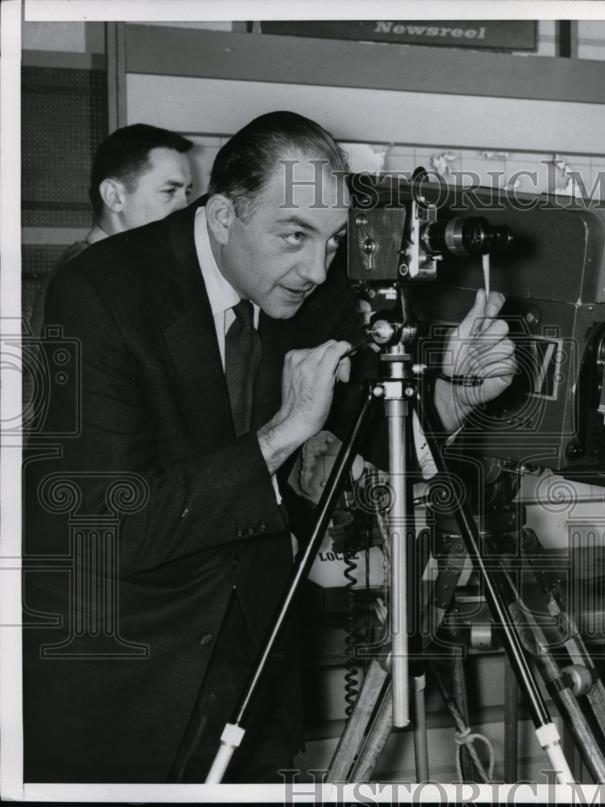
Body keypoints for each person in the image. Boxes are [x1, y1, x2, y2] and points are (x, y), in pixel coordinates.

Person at [22, 111, 514, 784]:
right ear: (223, 215)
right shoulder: (100, 294)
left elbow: (376, 426)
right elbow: (114, 520)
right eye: (295, 236)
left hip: (252, 676)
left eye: (335, 241)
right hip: (123, 679)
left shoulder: (311, 288)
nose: (316, 267)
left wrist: (456, 396)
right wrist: (282, 433)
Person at [30, 123, 194, 334]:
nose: (185, 208)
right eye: (169, 191)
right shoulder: (87, 280)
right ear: (114, 196)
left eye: (187, 194)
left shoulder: (112, 271)